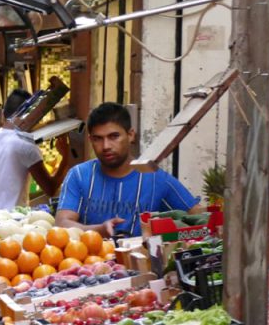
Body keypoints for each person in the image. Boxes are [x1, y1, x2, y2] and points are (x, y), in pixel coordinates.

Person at [56, 102, 200, 237]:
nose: (106, 146)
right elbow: (62, 224)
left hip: (142, 262)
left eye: (114, 136)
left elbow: (199, 217)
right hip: (91, 262)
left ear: (130, 135)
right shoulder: (79, 175)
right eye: (98, 138)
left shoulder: (156, 179)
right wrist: (99, 230)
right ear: (90, 139)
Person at [0, 89, 73, 212]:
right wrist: (66, 158)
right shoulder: (27, 146)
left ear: (4, 113)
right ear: (29, 116)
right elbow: (51, 189)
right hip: (16, 221)